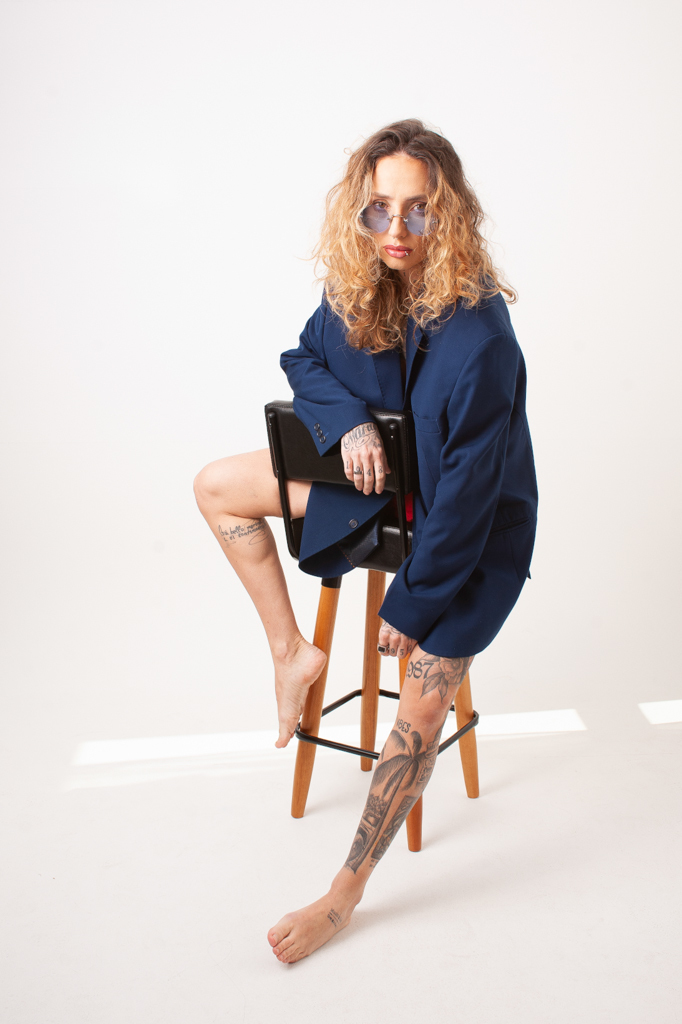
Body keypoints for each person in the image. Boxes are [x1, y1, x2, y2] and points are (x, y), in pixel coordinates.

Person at [193, 119, 537, 963]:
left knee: (417, 709)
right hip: (385, 490)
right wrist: (348, 422)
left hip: (467, 537)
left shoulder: (482, 339)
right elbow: (302, 359)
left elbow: (468, 503)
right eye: (379, 208)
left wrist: (411, 606)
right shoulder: (364, 283)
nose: (396, 230)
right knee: (216, 486)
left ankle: (343, 895)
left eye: (418, 210)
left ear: (448, 214)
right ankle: (291, 654)